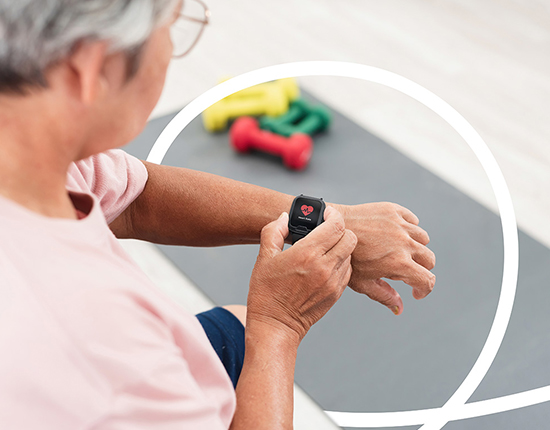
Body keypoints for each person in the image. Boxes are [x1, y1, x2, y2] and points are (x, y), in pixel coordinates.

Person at [0, 0, 436, 428]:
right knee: (253, 334)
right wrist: (279, 324)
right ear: (92, 67)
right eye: (170, 27)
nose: (171, 48)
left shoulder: (36, 155)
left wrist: (326, 220)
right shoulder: (118, 368)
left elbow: (138, 198)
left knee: (238, 327)